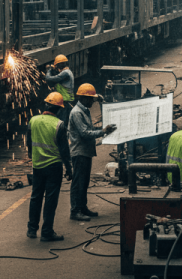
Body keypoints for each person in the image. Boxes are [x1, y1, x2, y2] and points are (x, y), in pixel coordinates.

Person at [26, 92, 73, 242]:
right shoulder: (59, 124)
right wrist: (69, 169)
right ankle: (46, 232)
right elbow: (64, 151)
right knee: (51, 199)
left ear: (45, 105)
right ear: (59, 109)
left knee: (36, 197)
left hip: (37, 165)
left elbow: (28, 143)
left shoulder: (33, 120)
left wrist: (32, 156)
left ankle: (32, 229)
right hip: (54, 167)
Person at [68, 84, 116, 222]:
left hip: (86, 152)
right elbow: (84, 133)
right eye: (90, 99)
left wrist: (102, 129)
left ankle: (82, 208)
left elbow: (89, 128)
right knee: (78, 183)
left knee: (84, 182)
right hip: (79, 152)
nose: (92, 102)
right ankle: (75, 211)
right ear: (82, 98)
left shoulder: (84, 110)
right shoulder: (77, 112)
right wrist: (103, 131)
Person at [45, 54, 74, 122]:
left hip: (65, 100)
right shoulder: (67, 72)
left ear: (58, 65)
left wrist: (49, 70)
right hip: (66, 99)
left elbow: (49, 78)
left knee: (62, 120)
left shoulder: (65, 73)